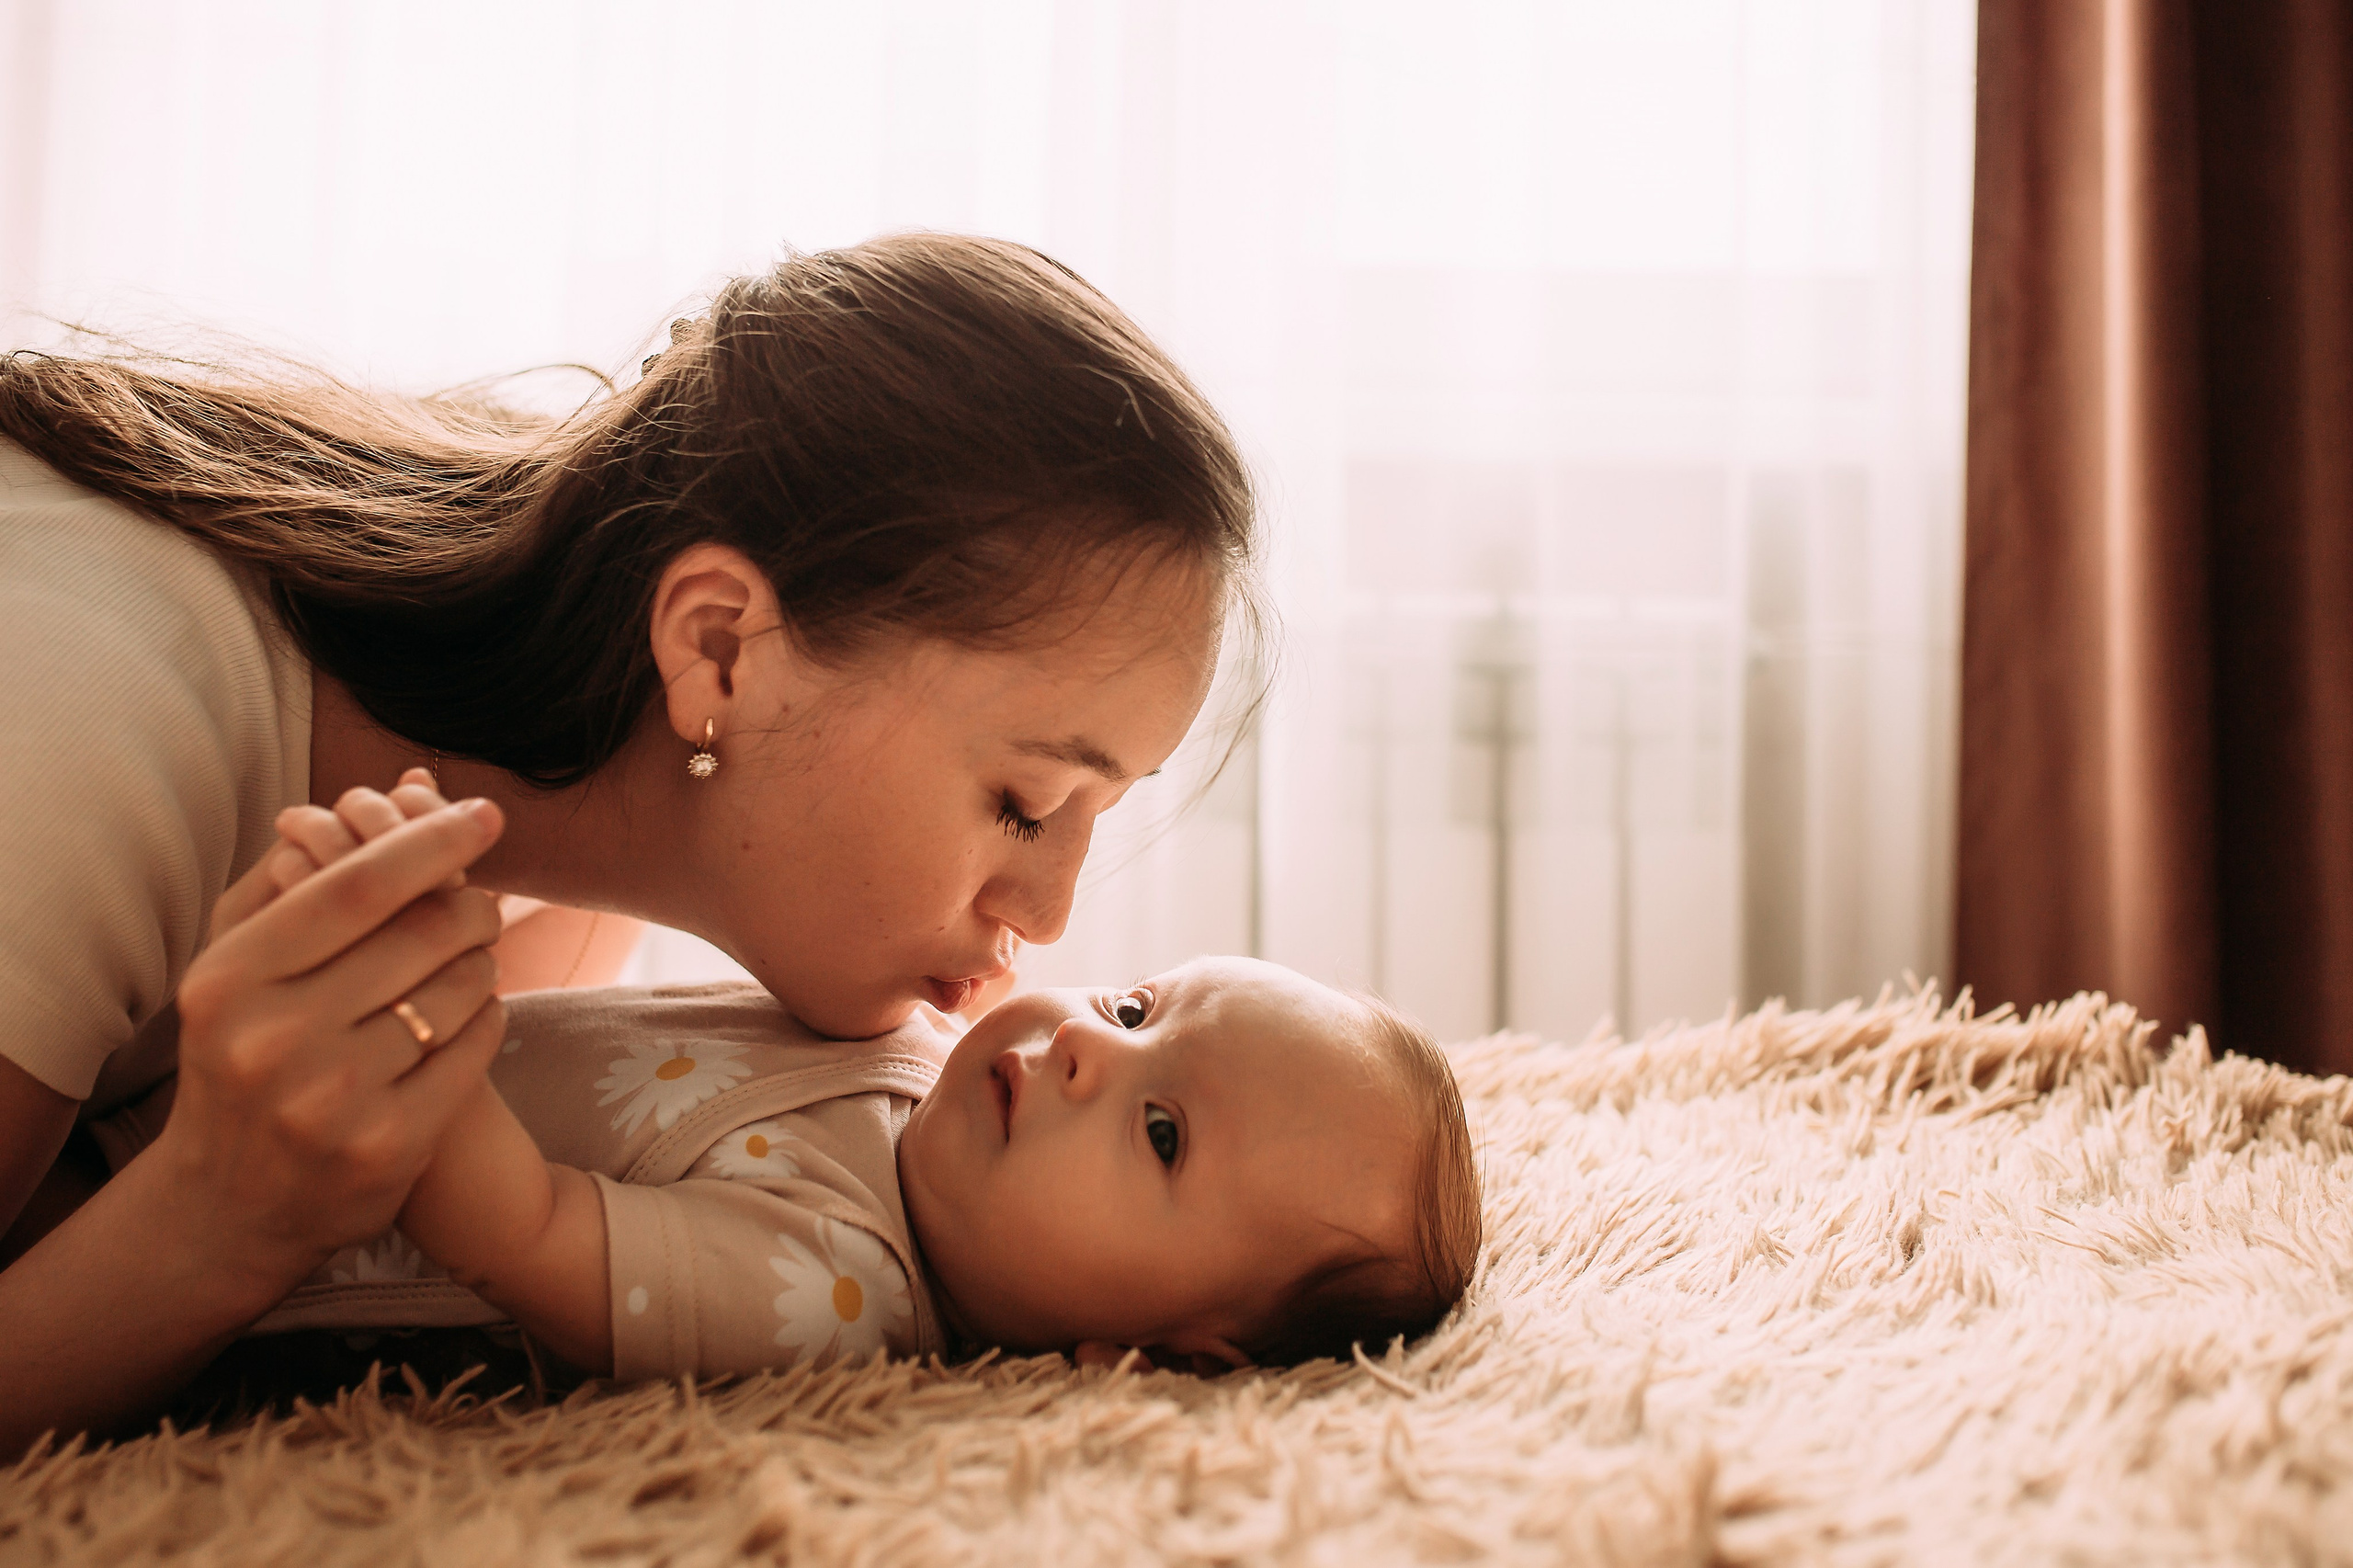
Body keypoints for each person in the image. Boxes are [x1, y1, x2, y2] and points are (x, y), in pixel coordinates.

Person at [0, 233, 1260, 1454]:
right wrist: (225, 1215)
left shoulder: (554, 870)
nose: (1048, 917)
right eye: (1026, 803)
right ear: (719, 647)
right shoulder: (90, 726)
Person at [97, 800, 1483, 1377]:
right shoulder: (920, 1077)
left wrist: (401, 993)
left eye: (1161, 1128)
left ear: (1157, 1357)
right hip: (213, 1084)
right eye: (1135, 1009)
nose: (1083, 1046)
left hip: (187, 1233)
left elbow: (521, 1231)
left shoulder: (837, 1290)